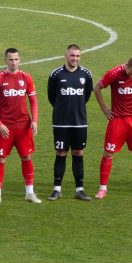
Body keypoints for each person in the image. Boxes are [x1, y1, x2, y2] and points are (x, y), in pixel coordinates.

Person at [93, 58, 132, 199]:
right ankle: (102, 189)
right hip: (118, 120)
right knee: (108, 153)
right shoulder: (114, 73)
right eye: (131, 74)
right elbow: (96, 88)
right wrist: (104, 109)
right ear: (127, 67)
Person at [0, 48, 40, 205]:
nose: (14, 62)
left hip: (23, 127)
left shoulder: (26, 77)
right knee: (0, 158)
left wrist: (34, 121)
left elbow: (33, 101)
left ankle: (30, 193)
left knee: (26, 157)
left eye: (16, 59)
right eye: (11, 59)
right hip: (5, 128)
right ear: (5, 60)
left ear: (20, 60)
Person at [47, 44, 93, 201]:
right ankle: (56, 189)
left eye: (78, 56)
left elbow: (86, 95)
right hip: (61, 122)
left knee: (78, 154)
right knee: (61, 153)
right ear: (66, 56)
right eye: (72, 56)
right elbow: (51, 96)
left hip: (79, 122)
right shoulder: (56, 74)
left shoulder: (86, 74)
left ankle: (79, 190)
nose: (75, 59)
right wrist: (63, 108)